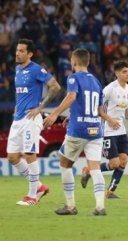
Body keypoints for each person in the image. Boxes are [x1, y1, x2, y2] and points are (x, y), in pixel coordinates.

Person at [43, 48, 106, 215]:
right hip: (95, 130)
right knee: (95, 168)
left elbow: (72, 96)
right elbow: (98, 108)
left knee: (65, 164)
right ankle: (100, 207)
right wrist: (72, 115)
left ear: (74, 62)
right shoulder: (97, 81)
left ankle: (70, 206)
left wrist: (55, 113)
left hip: (78, 130)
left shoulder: (73, 77)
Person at [7, 38, 60, 206]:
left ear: (30, 54)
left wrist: (40, 108)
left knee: (30, 154)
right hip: (18, 119)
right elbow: (22, 93)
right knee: (13, 157)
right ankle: (39, 186)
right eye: (17, 50)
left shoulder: (36, 69)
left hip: (31, 118)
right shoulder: (17, 69)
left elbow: (55, 87)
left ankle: (31, 196)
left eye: (22, 50)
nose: (17, 53)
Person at [80, 61, 128, 199]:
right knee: (114, 164)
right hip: (107, 130)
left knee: (124, 160)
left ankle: (110, 191)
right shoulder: (109, 89)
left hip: (121, 130)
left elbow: (125, 110)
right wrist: (110, 119)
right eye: (124, 72)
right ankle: (89, 170)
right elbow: (97, 108)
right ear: (117, 73)